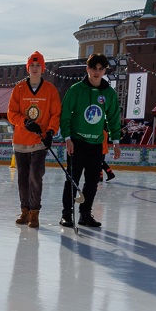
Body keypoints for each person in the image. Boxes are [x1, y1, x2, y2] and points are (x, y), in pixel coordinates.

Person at [59, 52, 121, 228]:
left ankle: (85, 214)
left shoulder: (108, 93)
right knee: (72, 179)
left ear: (105, 71)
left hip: (96, 145)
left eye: (101, 69)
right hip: (77, 143)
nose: (97, 72)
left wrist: (116, 142)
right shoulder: (76, 90)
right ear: (87, 69)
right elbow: (65, 116)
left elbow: (113, 118)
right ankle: (67, 214)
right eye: (94, 68)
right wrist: (68, 138)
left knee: (92, 182)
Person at [6, 50, 61, 228]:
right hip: (21, 141)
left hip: (39, 142)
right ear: (28, 68)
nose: (35, 68)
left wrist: (51, 132)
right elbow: (11, 113)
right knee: (23, 178)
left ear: (43, 68)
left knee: (35, 176)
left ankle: (35, 212)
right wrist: (25, 122)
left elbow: (55, 114)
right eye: (32, 65)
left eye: (38, 65)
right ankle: (25, 210)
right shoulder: (19, 89)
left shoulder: (50, 90)